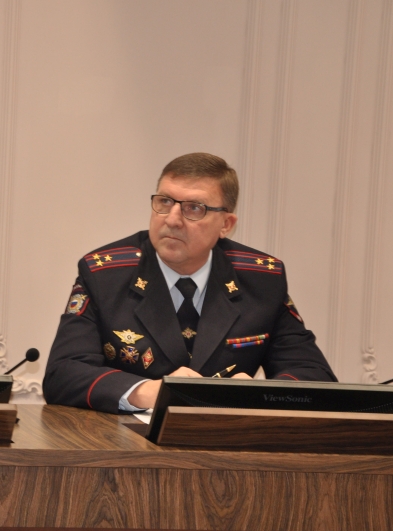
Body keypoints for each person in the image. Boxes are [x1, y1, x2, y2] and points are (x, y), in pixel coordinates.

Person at [43, 152, 336, 414]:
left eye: (194, 208)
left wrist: (262, 395)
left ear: (226, 224)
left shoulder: (261, 280)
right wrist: (147, 392)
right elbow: (63, 373)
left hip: (228, 444)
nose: (172, 219)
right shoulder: (105, 274)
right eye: (164, 202)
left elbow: (314, 374)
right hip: (124, 444)